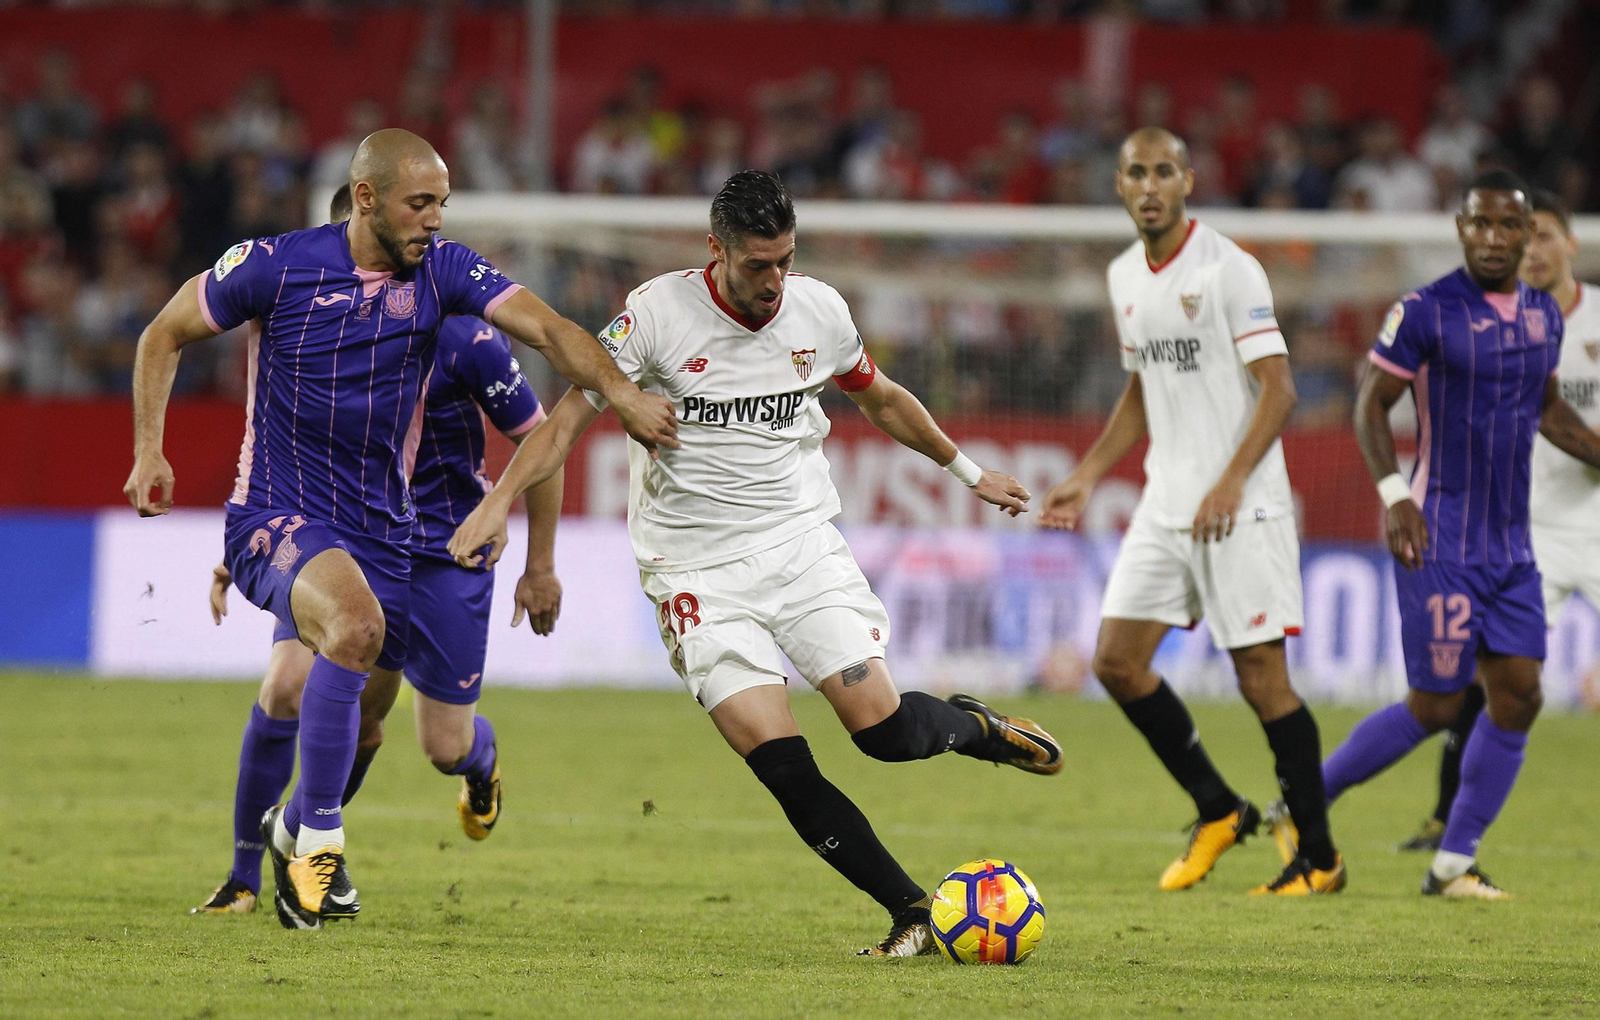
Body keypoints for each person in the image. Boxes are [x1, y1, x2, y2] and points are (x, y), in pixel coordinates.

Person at [447, 170, 1060, 957]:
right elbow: (565, 423)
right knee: (781, 763)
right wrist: (499, 503)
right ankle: (911, 910)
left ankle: (977, 726)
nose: (774, 283)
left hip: (800, 547)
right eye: (757, 266)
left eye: (785, 262)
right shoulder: (657, 317)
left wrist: (969, 474)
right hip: (695, 570)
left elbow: (881, 397)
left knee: (885, 733)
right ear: (717, 250)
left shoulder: (818, 308)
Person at [124, 128, 676, 930]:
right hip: (277, 517)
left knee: (399, 723)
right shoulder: (275, 266)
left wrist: (620, 395)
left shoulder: (449, 283)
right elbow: (162, 332)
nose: (436, 221)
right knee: (319, 657)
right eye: (422, 204)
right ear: (368, 198)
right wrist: (149, 449)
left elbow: (554, 332)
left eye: (443, 205)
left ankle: (318, 829)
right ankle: (300, 855)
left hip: (394, 541)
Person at [192, 186, 565, 916]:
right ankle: (260, 870)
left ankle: (472, 764)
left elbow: (541, 439)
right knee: (285, 689)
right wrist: (251, 552)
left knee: (437, 743)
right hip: (343, 536)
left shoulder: (464, 335)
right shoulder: (317, 307)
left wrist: (540, 564)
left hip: (444, 550)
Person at [1038, 127, 1343, 896]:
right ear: (1118, 185)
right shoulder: (1122, 277)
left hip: (1243, 506)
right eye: (1136, 172)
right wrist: (1086, 474)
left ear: (1188, 180)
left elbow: (1279, 388)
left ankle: (1321, 856)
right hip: (1167, 502)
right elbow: (1142, 388)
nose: (1149, 185)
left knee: (1261, 680)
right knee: (1116, 660)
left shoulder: (1230, 269)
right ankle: (1218, 808)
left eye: (1163, 171)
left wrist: (1233, 479)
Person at [1303, 169, 1600, 899]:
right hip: (1440, 537)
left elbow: (1549, 409)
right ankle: (1303, 802)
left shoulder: (1544, 319)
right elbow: (1372, 406)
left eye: (1509, 226)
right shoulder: (1426, 310)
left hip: (1512, 548)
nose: (1495, 239)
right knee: (1436, 704)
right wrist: (1393, 494)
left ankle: (1452, 864)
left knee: (1521, 693)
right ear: (1461, 230)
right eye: (1481, 225)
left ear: (1528, 235)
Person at [1395, 189, 1600, 852]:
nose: (1530, 248)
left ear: (1570, 244)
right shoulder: (1506, 321)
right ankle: (1445, 820)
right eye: (1522, 234)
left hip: (1594, 524)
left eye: (1542, 236)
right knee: (1487, 686)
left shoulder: (1586, 318)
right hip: (1526, 528)